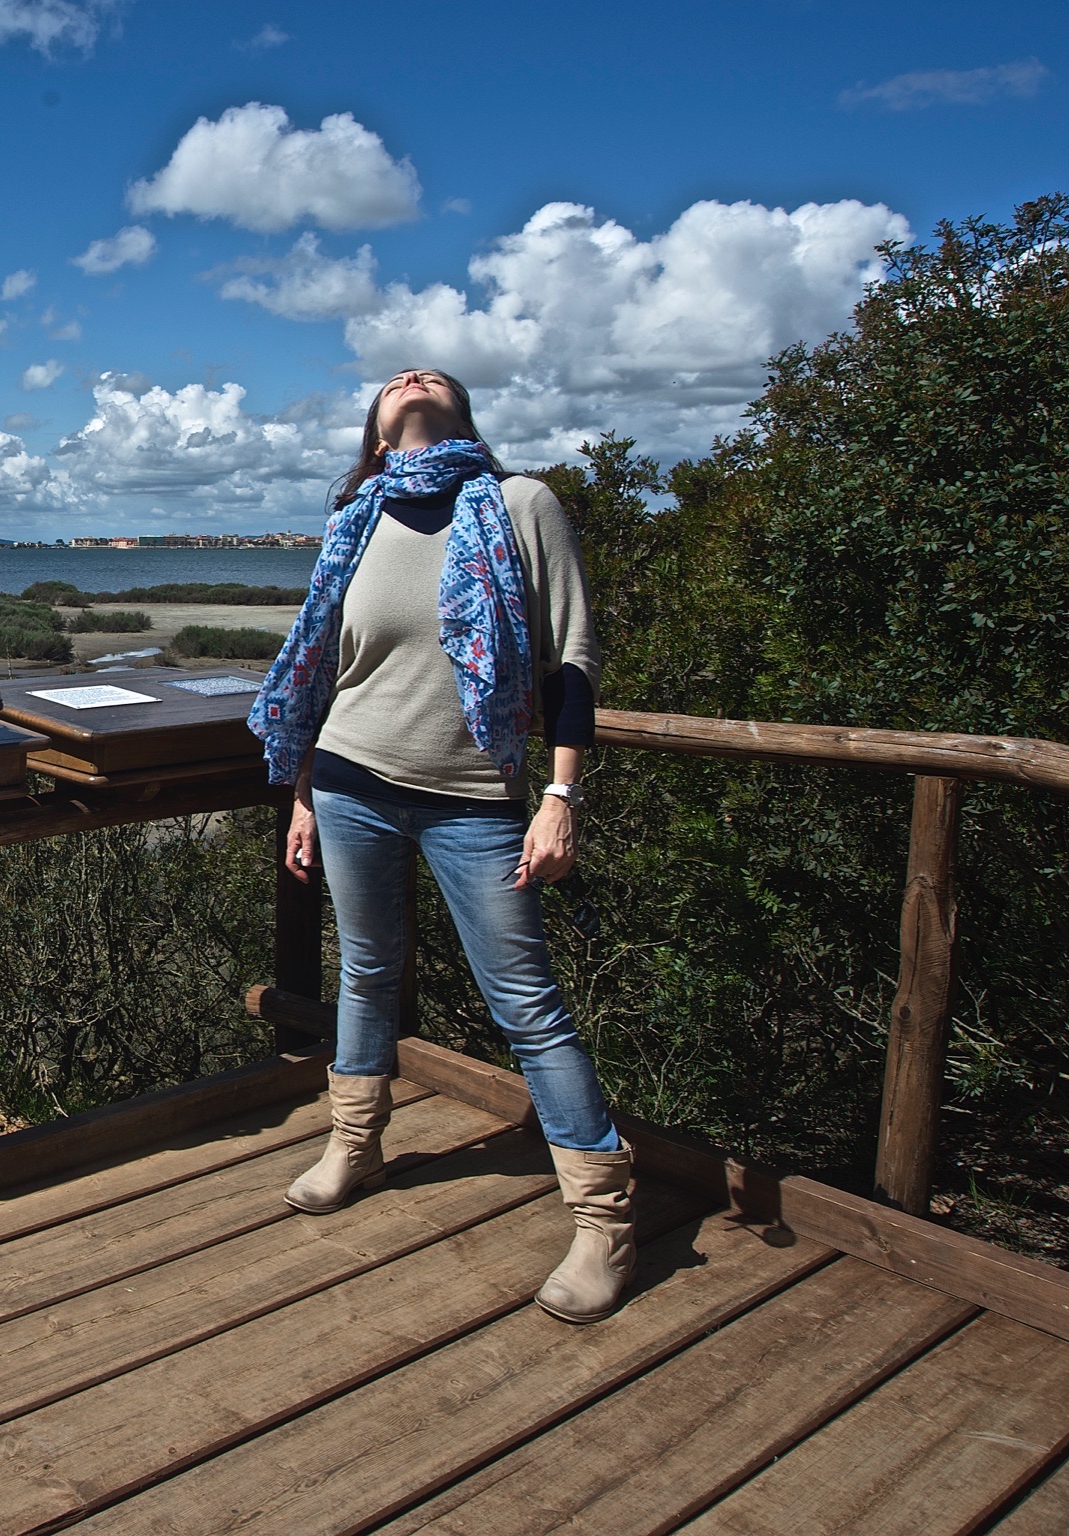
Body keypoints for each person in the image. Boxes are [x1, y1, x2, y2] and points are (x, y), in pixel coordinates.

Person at [247, 368, 633, 1324]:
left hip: (476, 801)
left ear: (459, 416)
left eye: (430, 377)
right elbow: (325, 671)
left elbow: (570, 660)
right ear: (377, 438)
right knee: (369, 972)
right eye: (392, 381)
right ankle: (353, 1142)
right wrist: (301, 794)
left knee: (526, 1005)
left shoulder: (516, 504)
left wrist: (558, 795)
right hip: (349, 780)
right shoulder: (356, 517)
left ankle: (603, 1216)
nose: (411, 377)